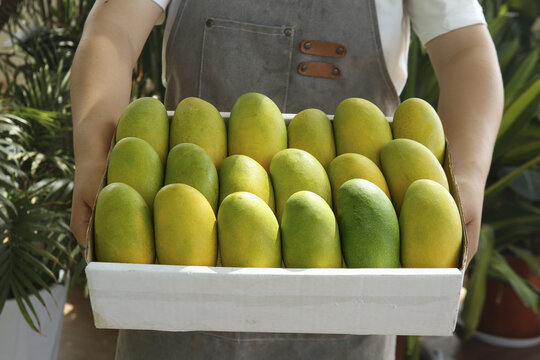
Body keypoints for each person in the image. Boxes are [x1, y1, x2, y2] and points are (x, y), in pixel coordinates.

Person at [69, 0, 503, 359]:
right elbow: (114, 26)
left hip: (354, 293)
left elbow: (465, 50)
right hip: (178, 279)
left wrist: (465, 175)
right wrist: (93, 155)